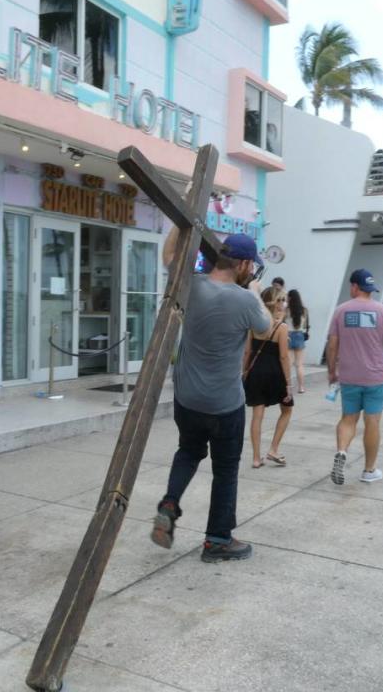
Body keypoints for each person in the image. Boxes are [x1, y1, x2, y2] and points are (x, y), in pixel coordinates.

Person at [151, 231, 271, 563]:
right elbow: (265, 329)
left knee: (188, 451)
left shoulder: (191, 285)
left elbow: (168, 255)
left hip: (187, 398)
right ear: (245, 264)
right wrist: (256, 292)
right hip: (224, 404)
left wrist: (188, 213)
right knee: (226, 470)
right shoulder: (245, 300)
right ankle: (217, 540)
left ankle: (170, 503)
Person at [326, 269, 383, 485]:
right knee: (372, 422)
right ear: (369, 288)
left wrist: (332, 371)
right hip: (376, 378)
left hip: (349, 376)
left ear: (354, 286)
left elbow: (332, 345)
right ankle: (369, 471)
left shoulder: (341, 311)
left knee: (348, 419)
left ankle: (342, 451)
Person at [244, 287, 294, 468]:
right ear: (274, 303)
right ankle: (273, 448)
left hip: (255, 372)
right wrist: (288, 383)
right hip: (275, 374)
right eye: (280, 300)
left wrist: (244, 373)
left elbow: (248, 351)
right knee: (287, 410)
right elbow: (283, 357)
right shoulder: (281, 327)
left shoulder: (254, 325)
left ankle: (256, 458)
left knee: (257, 415)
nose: (283, 304)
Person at [286, 289, 310, 393]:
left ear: (290, 298)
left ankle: (288, 387)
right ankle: (301, 387)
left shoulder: (286, 309)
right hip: (300, 335)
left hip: (288, 335)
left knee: (289, 364)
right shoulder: (304, 310)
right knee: (299, 364)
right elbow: (305, 325)